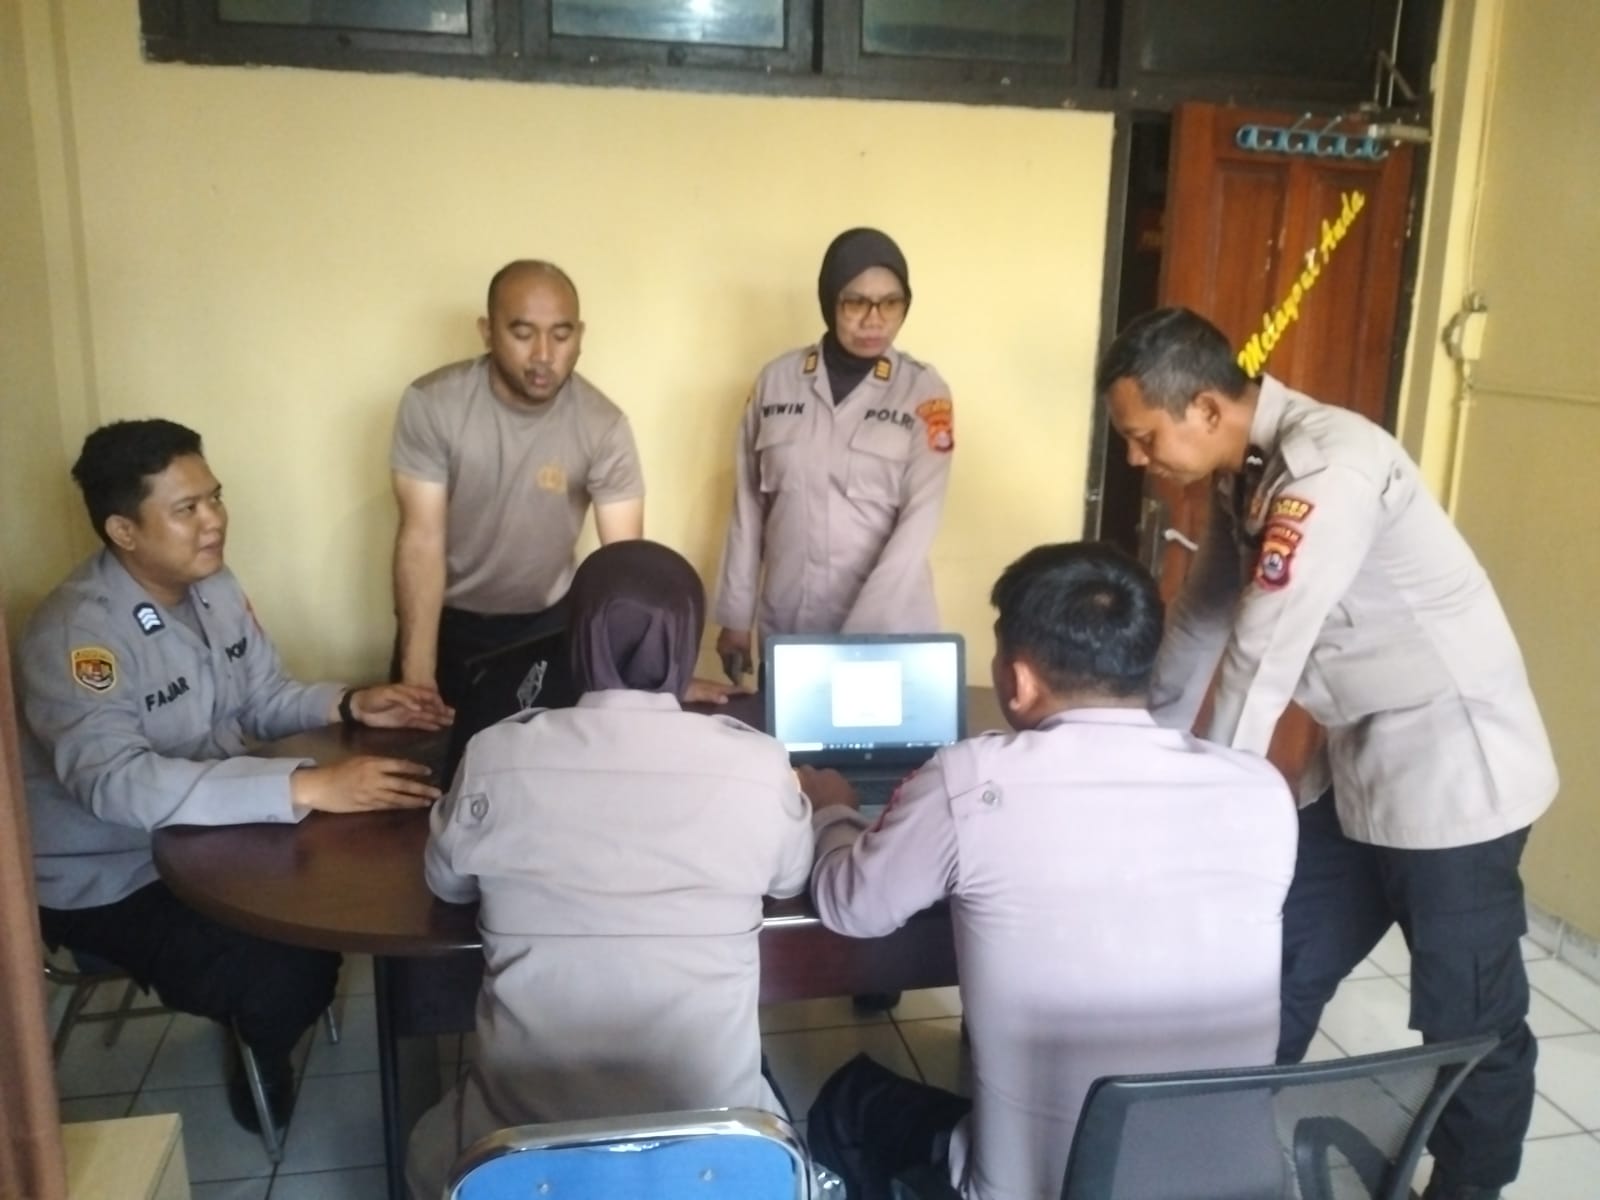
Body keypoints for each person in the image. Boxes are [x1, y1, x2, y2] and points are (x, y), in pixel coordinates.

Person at [1097, 307, 1559, 1200]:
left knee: (1470, 1021)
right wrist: (1137, 746)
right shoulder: (1246, 473)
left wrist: (1205, 815)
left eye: (1144, 437)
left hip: (1455, 777)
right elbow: (1202, 617)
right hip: (1361, 767)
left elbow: (1261, 654)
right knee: (1277, 962)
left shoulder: (1327, 471)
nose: (1137, 458)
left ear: (1205, 408)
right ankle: (1207, 1148)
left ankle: (1469, 1190)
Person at [804, 541, 1297, 1200]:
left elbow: (852, 907)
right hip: (1241, 1188)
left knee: (847, 1103)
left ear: (1018, 679)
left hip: (1043, 1190)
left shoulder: (972, 780)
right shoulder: (1261, 788)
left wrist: (831, 811)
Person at [20, 419, 450, 1134]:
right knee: (289, 969)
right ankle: (262, 1045)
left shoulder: (212, 585)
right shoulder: (77, 635)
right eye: (186, 509)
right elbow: (114, 784)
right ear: (124, 531)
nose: (214, 520)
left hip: (210, 833)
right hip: (116, 874)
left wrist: (351, 702)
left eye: (214, 498)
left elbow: (262, 697)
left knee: (355, 866)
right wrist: (302, 788)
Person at [405, 539, 813, 1200]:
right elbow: (790, 880)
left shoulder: (497, 754)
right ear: (687, 644)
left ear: (575, 638)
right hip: (717, 1155)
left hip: (523, 1161)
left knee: (426, 1147)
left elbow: (444, 882)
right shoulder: (758, 763)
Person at [390, 259, 645, 708]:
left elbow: (621, 564)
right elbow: (421, 540)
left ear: (580, 336)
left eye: (561, 335)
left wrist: (642, 676)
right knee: (429, 746)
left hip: (548, 626)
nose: (544, 354)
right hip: (446, 622)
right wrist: (417, 678)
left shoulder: (603, 425)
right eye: (523, 334)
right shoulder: (433, 405)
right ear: (488, 332)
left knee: (547, 749)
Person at [713, 227, 956, 682]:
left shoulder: (924, 392)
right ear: (829, 301)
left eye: (890, 303)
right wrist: (736, 616)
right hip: (792, 627)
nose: (874, 319)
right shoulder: (777, 381)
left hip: (887, 635)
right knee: (779, 731)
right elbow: (748, 506)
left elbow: (919, 524)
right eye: (856, 302)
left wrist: (857, 641)